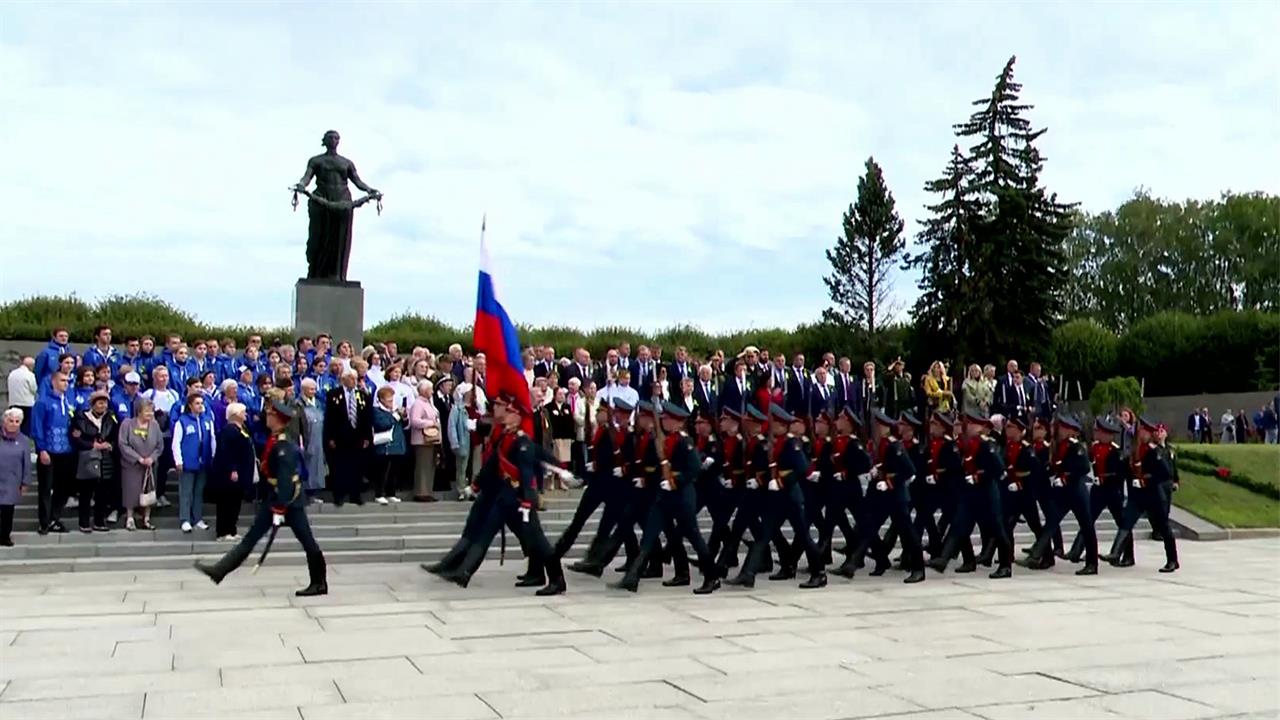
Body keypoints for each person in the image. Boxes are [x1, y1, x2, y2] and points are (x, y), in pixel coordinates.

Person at [431, 392, 566, 596]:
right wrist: (475, 486)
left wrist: (530, 501)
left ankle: (557, 579)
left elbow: (529, 472)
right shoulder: (506, 436)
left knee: (538, 541)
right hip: (505, 497)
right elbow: (493, 463)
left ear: (518, 416)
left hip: (520, 500)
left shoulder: (522, 442)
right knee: (485, 533)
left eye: (510, 412)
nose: (506, 415)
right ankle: (464, 573)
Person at [195, 401, 329, 596]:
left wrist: (280, 507)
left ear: (278, 419)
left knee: (308, 542)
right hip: (275, 499)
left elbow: (286, 479)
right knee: (251, 538)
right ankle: (220, 570)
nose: (267, 417)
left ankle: (319, 582)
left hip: (289, 501)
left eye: (270, 415)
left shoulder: (284, 445)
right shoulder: (275, 439)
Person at [611, 401, 720, 595]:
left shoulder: (684, 442)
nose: (665, 421)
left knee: (694, 537)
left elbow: (694, 469)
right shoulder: (662, 440)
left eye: (669, 419)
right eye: (664, 418)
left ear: (679, 423)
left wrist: (675, 480)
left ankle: (712, 576)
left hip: (682, 496)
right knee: (649, 536)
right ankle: (632, 577)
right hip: (664, 497)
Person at [1018, 415, 1098, 575]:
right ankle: (1037, 554)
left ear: (1069, 430)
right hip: (1062, 492)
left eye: (1061, 427)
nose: (1057, 430)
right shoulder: (1058, 446)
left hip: (1076, 492)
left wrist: (1066, 477)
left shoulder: (1076, 447)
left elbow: (1083, 468)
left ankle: (1092, 563)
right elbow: (1054, 465)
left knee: (1087, 526)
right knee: (1051, 522)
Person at [1105, 419, 1179, 573]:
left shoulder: (1155, 451)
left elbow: (1166, 473)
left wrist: (1146, 479)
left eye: (1144, 432)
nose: (1141, 434)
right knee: (1126, 522)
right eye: (1140, 431)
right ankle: (1116, 552)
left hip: (1154, 495)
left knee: (1163, 527)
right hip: (1137, 496)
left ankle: (1172, 560)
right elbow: (1126, 468)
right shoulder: (1135, 450)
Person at [68, 390, 119, 532]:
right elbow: (76, 438)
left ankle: (99, 521)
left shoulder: (111, 418)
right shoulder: (80, 418)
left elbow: (115, 436)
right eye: (100, 403)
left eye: (105, 403)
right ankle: (84, 522)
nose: (103, 406)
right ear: (93, 404)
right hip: (88, 459)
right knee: (86, 492)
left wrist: (110, 445)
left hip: (105, 459)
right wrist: (92, 445)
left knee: (102, 492)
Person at [32, 370, 75, 534]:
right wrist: (41, 449)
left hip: (66, 450)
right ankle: (44, 522)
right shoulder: (43, 402)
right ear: (54, 382)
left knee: (63, 488)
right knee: (45, 488)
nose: (66, 383)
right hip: (49, 450)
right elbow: (37, 427)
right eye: (63, 380)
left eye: (68, 380)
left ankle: (54, 518)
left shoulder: (69, 401)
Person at [323, 369, 373, 506]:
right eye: (350, 378)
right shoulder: (333, 395)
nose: (354, 381)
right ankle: (339, 495)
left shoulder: (363, 396)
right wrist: (330, 438)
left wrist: (367, 437)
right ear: (343, 379)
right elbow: (329, 418)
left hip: (358, 437)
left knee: (357, 467)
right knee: (340, 467)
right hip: (340, 437)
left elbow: (368, 419)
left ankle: (355, 495)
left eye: (355, 378)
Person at [173, 392, 216, 533]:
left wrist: (213, 456)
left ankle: (197, 518)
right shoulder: (182, 421)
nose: (200, 406)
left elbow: (212, 439)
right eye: (197, 403)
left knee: (199, 492)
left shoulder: (207, 420)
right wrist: (178, 460)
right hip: (188, 462)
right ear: (190, 405)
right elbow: (176, 443)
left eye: (201, 403)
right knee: (186, 492)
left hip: (203, 462)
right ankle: (185, 519)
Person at [211, 403, 255, 540]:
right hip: (229, 473)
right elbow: (226, 452)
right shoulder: (229, 430)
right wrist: (232, 469)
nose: (246, 415)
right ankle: (223, 531)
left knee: (235, 502)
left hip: (242, 471)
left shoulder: (242, 429)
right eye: (243, 412)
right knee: (226, 502)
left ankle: (232, 529)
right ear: (235, 414)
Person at [118, 399, 163, 531]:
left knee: (148, 491)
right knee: (131, 491)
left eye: (151, 411)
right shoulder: (127, 424)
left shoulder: (155, 425)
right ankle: (130, 518)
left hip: (149, 465)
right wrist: (138, 458)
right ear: (139, 411)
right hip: (131, 465)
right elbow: (123, 444)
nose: (150, 414)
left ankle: (146, 519)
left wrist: (152, 458)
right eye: (147, 411)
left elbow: (160, 446)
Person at [140, 365, 181, 508]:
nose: (164, 379)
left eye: (166, 376)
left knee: (164, 466)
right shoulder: (149, 394)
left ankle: (161, 493)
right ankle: (152, 494)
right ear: (155, 378)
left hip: (169, 435)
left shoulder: (174, 394)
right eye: (161, 376)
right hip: (153, 435)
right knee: (154, 466)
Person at [371, 385, 408, 504]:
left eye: (392, 399)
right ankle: (379, 494)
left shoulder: (394, 410)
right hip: (384, 445)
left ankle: (391, 493)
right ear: (381, 400)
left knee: (394, 471)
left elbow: (404, 424)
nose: (391, 402)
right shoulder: (376, 411)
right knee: (382, 471)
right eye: (389, 400)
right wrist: (395, 416)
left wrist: (404, 416)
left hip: (397, 445)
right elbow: (382, 424)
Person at [0, 408, 31, 546]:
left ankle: (5, 536)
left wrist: (25, 482)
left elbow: (27, 463)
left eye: (17, 421)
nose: (13, 424)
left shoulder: (24, 440)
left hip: (12, 481)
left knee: (7, 511)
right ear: (4, 421)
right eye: (10, 421)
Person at [294, 378, 327, 505]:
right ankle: (304, 493)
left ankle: (315, 492)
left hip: (318, 438)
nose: (314, 391)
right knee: (306, 465)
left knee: (318, 466)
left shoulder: (318, 403)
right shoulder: (298, 404)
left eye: (314, 389)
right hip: (306, 439)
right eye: (311, 389)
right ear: (303, 390)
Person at [408, 379, 441, 502]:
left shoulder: (429, 403)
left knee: (430, 466)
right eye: (430, 389)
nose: (432, 392)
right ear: (424, 390)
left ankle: (428, 491)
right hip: (422, 440)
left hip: (431, 439)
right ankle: (421, 492)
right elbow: (415, 421)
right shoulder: (418, 403)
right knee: (422, 466)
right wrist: (431, 423)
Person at [448, 383, 476, 500]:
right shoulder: (457, 409)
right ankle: (461, 490)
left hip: (476, 440)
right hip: (463, 440)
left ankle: (474, 489)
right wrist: (454, 442)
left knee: (474, 467)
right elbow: (452, 426)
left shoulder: (477, 406)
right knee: (462, 467)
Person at [7, 356, 37, 436]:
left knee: (13, 426)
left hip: (13, 402)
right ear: (31, 366)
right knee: (25, 428)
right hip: (27, 404)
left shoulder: (12, 373)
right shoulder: (30, 375)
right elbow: (34, 389)